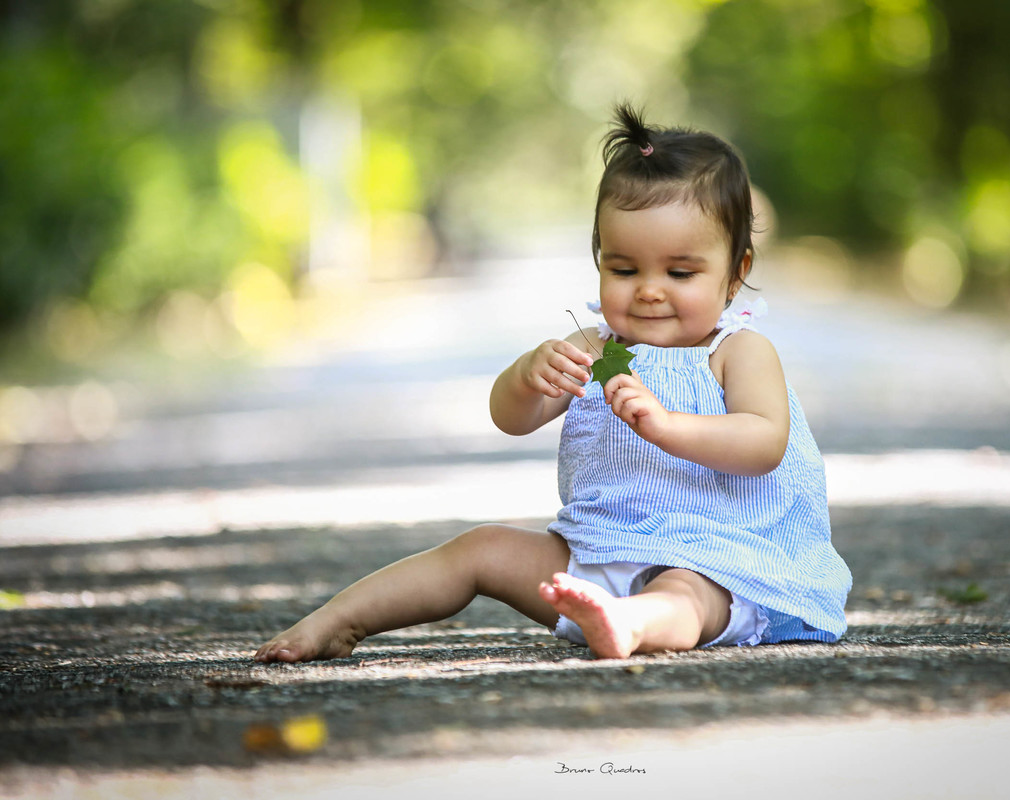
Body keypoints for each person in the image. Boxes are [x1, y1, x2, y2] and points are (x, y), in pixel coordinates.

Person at [254, 104, 851, 664]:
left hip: (720, 559)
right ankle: (338, 620)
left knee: (686, 594)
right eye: (624, 269)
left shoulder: (737, 352)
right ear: (599, 262)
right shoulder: (597, 348)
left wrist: (667, 425)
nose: (648, 289)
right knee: (479, 548)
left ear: (734, 273)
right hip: (591, 555)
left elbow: (764, 441)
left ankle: (631, 623)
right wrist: (526, 376)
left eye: (679, 272)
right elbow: (511, 417)